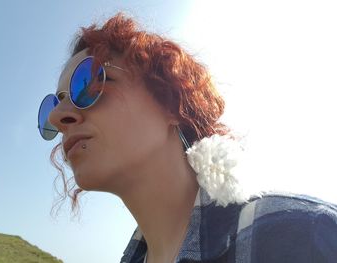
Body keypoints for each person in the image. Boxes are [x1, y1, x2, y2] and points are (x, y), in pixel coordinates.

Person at [38, 13, 337, 263]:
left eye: (87, 85)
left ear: (170, 101)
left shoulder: (301, 236)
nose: (57, 117)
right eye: (55, 103)